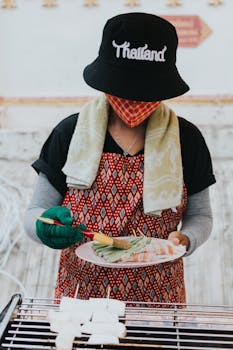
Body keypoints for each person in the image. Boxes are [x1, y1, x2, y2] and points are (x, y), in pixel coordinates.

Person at [24, 12, 216, 304]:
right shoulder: (70, 133)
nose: (134, 100)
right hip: (81, 297)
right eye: (125, 89)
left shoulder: (186, 140)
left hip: (158, 295)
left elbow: (201, 216)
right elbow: (36, 211)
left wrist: (185, 239)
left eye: (146, 91)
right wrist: (43, 227)